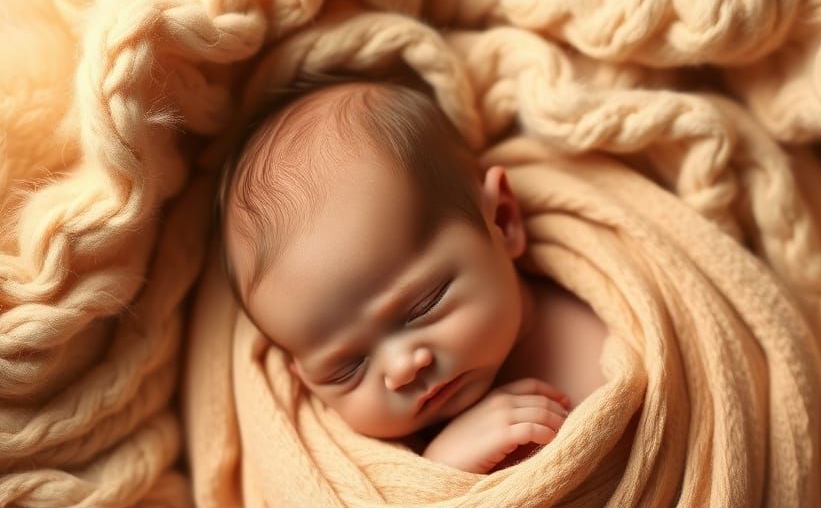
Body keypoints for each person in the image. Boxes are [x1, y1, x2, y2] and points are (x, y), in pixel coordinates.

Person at [218, 78, 607, 474]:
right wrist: (441, 473)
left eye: (425, 305)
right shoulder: (376, 466)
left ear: (503, 222)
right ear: (303, 377)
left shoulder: (602, 316)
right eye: (346, 368)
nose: (402, 368)